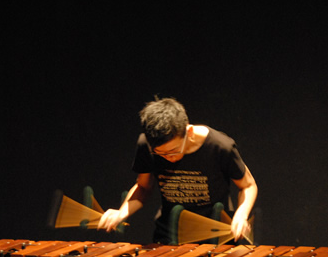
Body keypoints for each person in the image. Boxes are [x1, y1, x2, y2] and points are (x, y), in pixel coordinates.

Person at [98, 97, 257, 244]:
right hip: (170, 234)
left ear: (189, 132)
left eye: (174, 151)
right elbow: (143, 187)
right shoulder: (146, 145)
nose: (169, 158)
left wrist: (242, 214)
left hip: (215, 235)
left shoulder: (220, 146)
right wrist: (121, 212)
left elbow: (248, 186)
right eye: (160, 153)